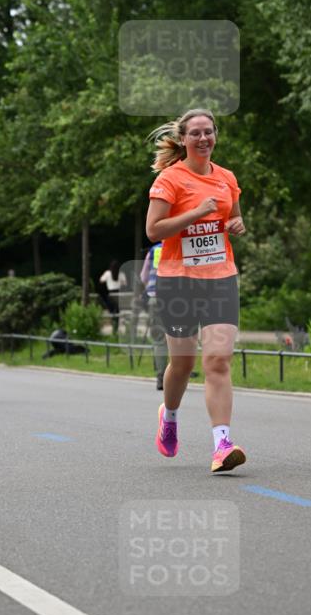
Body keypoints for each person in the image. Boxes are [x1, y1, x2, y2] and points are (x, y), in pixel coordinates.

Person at [146, 108, 246, 473]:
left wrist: (236, 223)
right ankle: (169, 416)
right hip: (178, 282)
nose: (203, 138)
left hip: (220, 278)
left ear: (215, 135)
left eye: (209, 132)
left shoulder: (226, 178)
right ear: (183, 139)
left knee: (217, 360)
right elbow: (154, 230)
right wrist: (196, 212)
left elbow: (233, 215)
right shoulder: (170, 179)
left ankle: (222, 444)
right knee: (183, 364)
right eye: (195, 133)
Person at [140, 242, 168, 390]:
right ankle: (179, 373)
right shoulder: (183, 245)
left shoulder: (154, 250)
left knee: (159, 340)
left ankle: (161, 376)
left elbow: (143, 277)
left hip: (156, 298)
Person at [98, 260, 128, 333]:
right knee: (117, 311)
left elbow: (101, 280)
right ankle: (116, 327)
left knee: (112, 312)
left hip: (111, 294)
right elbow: (125, 284)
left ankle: (114, 327)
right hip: (119, 294)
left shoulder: (107, 273)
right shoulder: (121, 274)